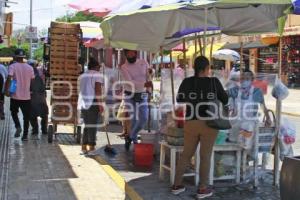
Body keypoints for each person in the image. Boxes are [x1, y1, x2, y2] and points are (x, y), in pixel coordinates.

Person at [172, 56, 228, 199]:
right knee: (205, 156)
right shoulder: (214, 82)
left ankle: (176, 185)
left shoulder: (187, 81)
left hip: (191, 122)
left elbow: (179, 98)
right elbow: (225, 99)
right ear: (206, 69)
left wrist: (194, 96)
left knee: (186, 154)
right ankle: (202, 189)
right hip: (210, 123)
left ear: (195, 68)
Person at [227, 69, 271, 149]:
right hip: (236, 123)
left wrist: (268, 118)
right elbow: (223, 94)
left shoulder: (256, 92)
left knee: (246, 144)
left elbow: (263, 105)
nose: (244, 81)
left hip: (250, 123)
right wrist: (227, 82)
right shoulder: (235, 90)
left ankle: (245, 158)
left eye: (247, 79)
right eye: (242, 78)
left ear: (252, 80)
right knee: (233, 147)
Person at [120, 49, 152, 150]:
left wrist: (152, 72)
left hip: (142, 93)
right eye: (127, 54)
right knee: (133, 119)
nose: (130, 55)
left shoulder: (143, 62)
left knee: (144, 118)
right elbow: (129, 82)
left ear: (135, 53)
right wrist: (144, 84)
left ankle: (130, 136)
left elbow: (149, 76)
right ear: (125, 55)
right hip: (129, 94)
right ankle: (133, 140)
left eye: (131, 53)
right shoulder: (124, 67)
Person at [5, 49, 35, 141]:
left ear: (15, 57)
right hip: (26, 96)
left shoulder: (12, 66)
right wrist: (31, 91)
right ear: (23, 58)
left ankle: (18, 126)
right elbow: (32, 81)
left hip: (15, 95)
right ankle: (25, 136)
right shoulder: (30, 68)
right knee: (26, 116)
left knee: (14, 113)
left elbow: (9, 79)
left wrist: (7, 90)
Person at [78, 57, 104, 154]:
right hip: (93, 102)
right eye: (99, 68)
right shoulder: (97, 75)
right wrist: (100, 104)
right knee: (92, 125)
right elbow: (98, 91)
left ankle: (84, 147)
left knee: (87, 125)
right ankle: (91, 148)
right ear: (96, 67)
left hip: (83, 102)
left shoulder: (83, 75)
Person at [27, 60, 49, 135]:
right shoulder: (38, 76)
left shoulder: (31, 76)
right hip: (40, 98)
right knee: (44, 114)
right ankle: (43, 130)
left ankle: (36, 129)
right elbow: (43, 88)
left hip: (33, 99)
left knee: (32, 115)